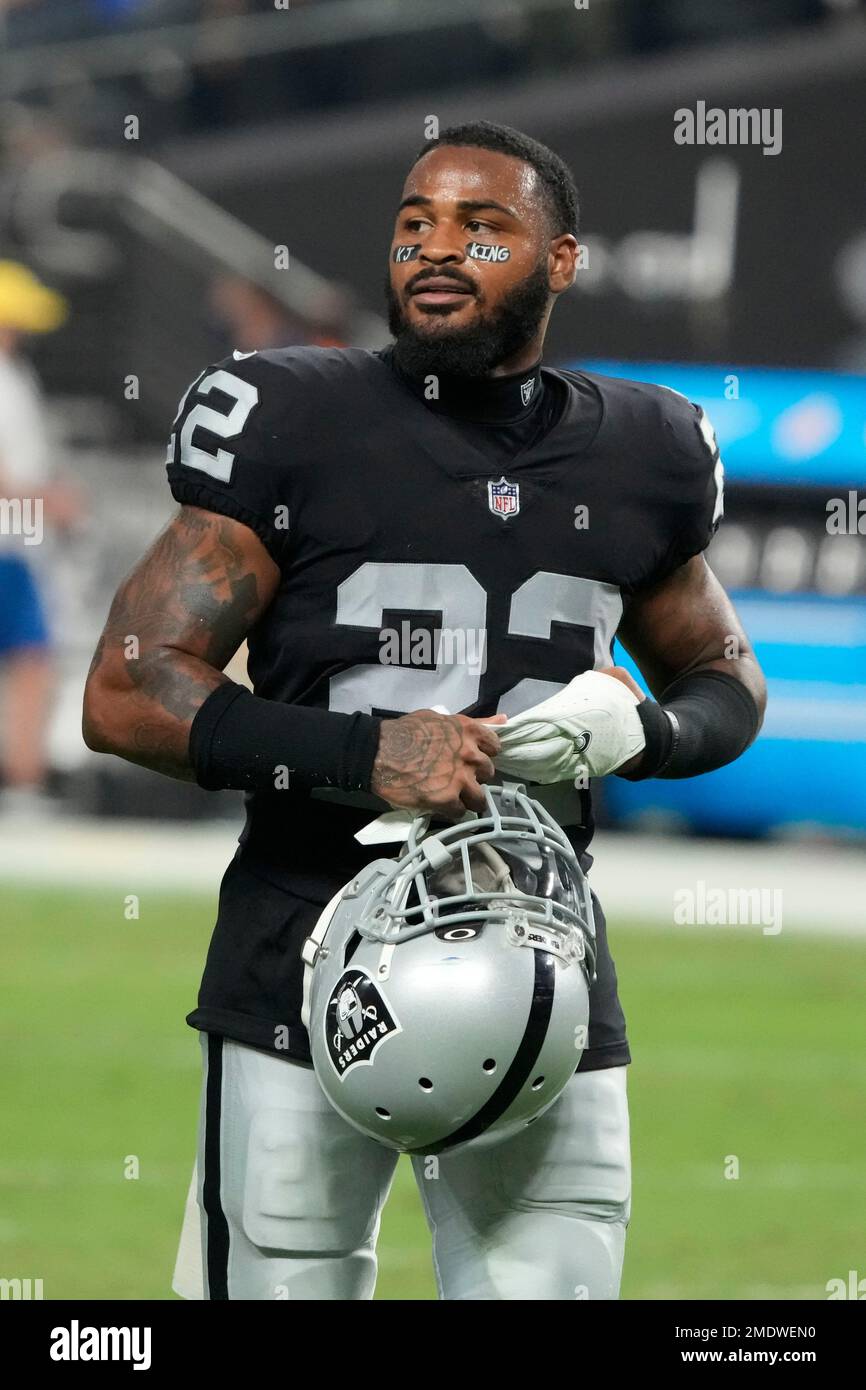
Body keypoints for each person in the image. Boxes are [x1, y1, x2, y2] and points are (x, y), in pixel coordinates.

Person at [82, 121, 766, 1300]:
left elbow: (728, 682)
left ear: (561, 261)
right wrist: (364, 753)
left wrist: (639, 730)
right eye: (414, 225)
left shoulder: (643, 450)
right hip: (304, 954)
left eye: (480, 227)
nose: (434, 249)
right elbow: (127, 689)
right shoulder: (289, 416)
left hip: (544, 950)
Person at [0, 260, 79, 815]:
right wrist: (48, 504)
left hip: (17, 543)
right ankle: (24, 785)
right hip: (9, 543)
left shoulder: (14, 375)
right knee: (32, 662)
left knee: (31, 662)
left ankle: (23, 782)